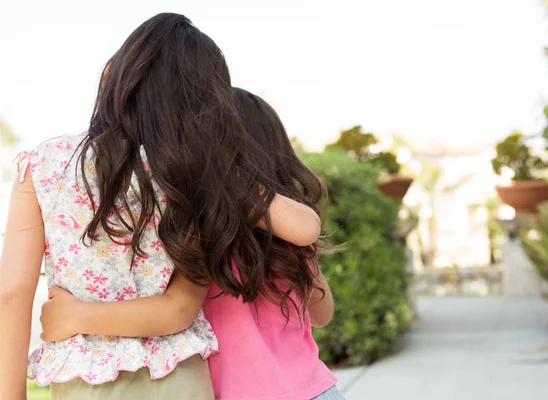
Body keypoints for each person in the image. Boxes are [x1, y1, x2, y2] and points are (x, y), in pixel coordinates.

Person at [0, 14, 321, 400]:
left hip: (83, 384)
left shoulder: (43, 165)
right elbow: (181, 309)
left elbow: (13, 291)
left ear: (117, 79)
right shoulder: (193, 173)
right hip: (177, 380)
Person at [39, 88, 345, 400]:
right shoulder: (290, 243)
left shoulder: (202, 235)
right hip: (318, 390)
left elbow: (173, 311)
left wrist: (75, 315)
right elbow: (323, 314)